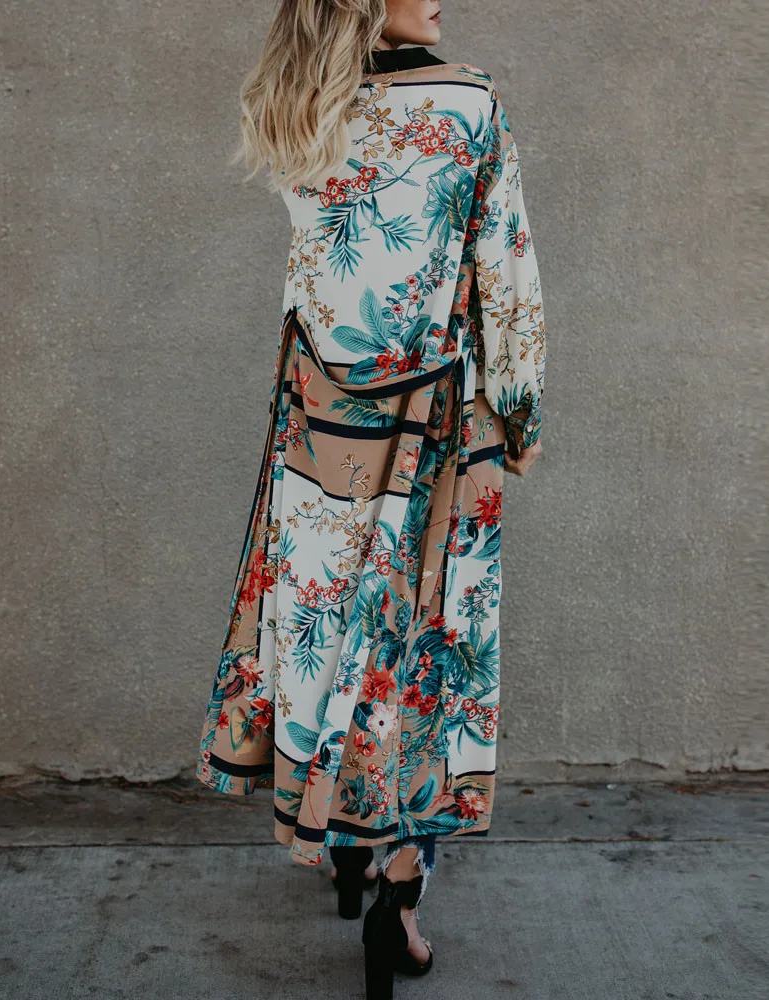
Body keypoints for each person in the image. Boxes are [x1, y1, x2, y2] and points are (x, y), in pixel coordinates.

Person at [194, 1, 546, 996]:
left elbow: (313, 275)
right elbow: (505, 276)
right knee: (422, 639)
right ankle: (398, 889)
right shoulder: (466, 101)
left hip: (319, 419)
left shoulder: (294, 101)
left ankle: (340, 846)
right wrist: (520, 419)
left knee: (326, 627)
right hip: (439, 419)